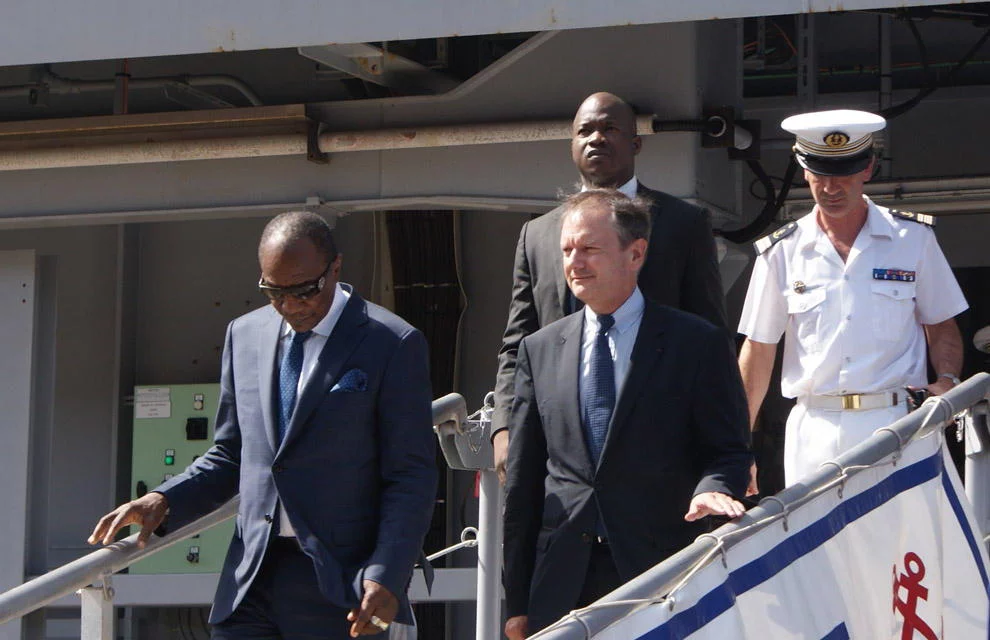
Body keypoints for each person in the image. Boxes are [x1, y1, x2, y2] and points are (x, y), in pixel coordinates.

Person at [89, 211, 438, 639]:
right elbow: (231, 454)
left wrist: (386, 573)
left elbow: (410, 475)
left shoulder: (392, 341)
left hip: (342, 583)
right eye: (274, 292)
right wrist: (164, 498)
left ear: (336, 268)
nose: (290, 306)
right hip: (250, 576)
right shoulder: (244, 335)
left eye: (305, 291)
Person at [502, 190, 751, 638]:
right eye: (567, 250)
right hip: (562, 582)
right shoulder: (538, 351)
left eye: (590, 249)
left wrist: (713, 489)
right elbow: (523, 484)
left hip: (661, 572)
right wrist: (517, 603)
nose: (575, 263)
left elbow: (729, 450)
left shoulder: (695, 344)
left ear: (636, 253)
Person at [492, 91, 728, 480]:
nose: (596, 139)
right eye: (584, 131)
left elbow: (710, 333)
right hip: (558, 437)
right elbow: (518, 339)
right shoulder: (536, 234)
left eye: (609, 129)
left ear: (635, 143)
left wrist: (721, 434)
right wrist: (504, 426)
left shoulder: (682, 223)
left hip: (656, 433)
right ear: (571, 145)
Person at [738, 109, 967, 491]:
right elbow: (758, 351)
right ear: (803, 169)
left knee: (901, 546)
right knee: (821, 548)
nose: (831, 187)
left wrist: (946, 380)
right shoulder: (781, 251)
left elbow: (941, 325)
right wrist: (737, 449)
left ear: (868, 168)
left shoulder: (913, 239)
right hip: (814, 427)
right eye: (820, 172)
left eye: (843, 171)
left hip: (898, 420)